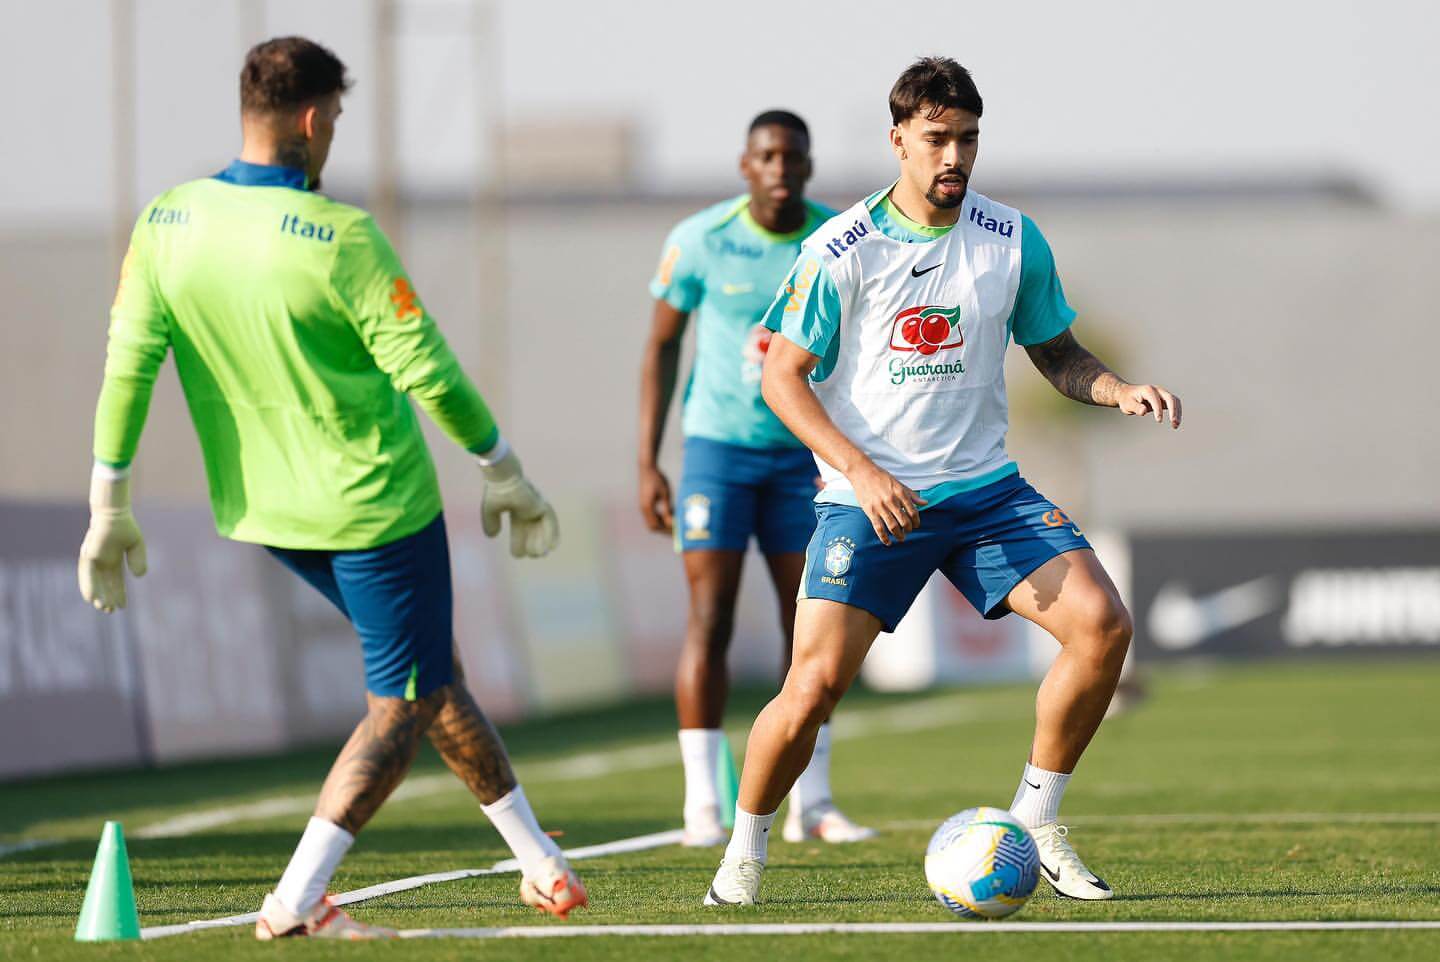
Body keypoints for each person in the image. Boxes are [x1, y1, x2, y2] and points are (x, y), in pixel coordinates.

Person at [77, 37, 587, 939]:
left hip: (266, 510)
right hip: (376, 508)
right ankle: (298, 900)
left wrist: (107, 502)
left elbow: (129, 364)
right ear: (313, 119)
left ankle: (541, 864)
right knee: (404, 700)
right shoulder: (343, 236)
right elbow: (429, 371)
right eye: (338, 120)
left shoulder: (167, 220)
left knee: (432, 670)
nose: (336, 136)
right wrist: (502, 468)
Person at [704, 57, 1182, 907]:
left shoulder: (1011, 238)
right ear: (898, 142)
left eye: (966, 138)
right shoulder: (843, 248)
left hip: (987, 494)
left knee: (1102, 626)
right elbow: (782, 375)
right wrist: (861, 471)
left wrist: (1116, 389)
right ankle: (744, 850)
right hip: (869, 501)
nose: (953, 155)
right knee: (810, 690)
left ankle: (1036, 821)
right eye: (935, 139)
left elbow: (1056, 352)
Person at [639, 111, 873, 847]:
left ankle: (814, 801)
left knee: (811, 631)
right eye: (767, 156)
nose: (780, 168)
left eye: (793, 158)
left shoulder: (840, 239)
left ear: (807, 167)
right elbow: (661, 349)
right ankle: (702, 804)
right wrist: (647, 458)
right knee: (709, 620)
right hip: (718, 453)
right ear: (745, 165)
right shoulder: (700, 240)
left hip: (805, 458)